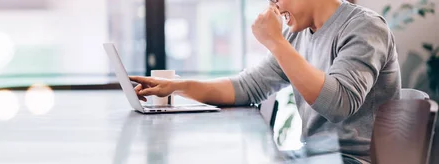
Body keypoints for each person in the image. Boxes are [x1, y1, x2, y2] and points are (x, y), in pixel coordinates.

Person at [129, 0, 400, 163]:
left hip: (353, 160)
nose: (273, 6)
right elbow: (248, 86)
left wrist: (276, 41)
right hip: (315, 155)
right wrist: (179, 86)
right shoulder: (298, 37)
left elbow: (339, 104)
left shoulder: (365, 26)